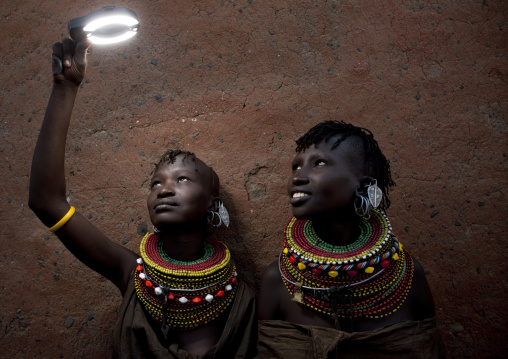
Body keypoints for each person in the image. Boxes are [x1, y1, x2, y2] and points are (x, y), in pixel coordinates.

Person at [29, 38, 256, 358]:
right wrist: (65, 88)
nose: (164, 189)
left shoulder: (237, 294)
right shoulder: (131, 272)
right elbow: (46, 202)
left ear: (212, 202)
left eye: (182, 179)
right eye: (155, 183)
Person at [257, 121, 442, 358]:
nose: (297, 177)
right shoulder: (278, 280)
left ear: (363, 184)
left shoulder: (407, 275)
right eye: (295, 167)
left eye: (319, 163)